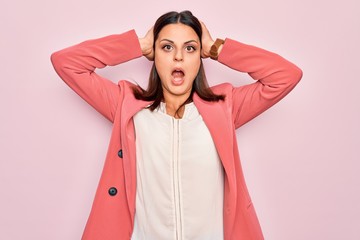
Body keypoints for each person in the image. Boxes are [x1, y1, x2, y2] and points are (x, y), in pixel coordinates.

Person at [51, 10, 302, 240]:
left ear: (200, 59)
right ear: (155, 56)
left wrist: (216, 48)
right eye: (167, 47)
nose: (178, 56)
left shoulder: (225, 107)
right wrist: (137, 45)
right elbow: (66, 63)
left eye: (190, 48)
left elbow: (285, 76)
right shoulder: (126, 104)